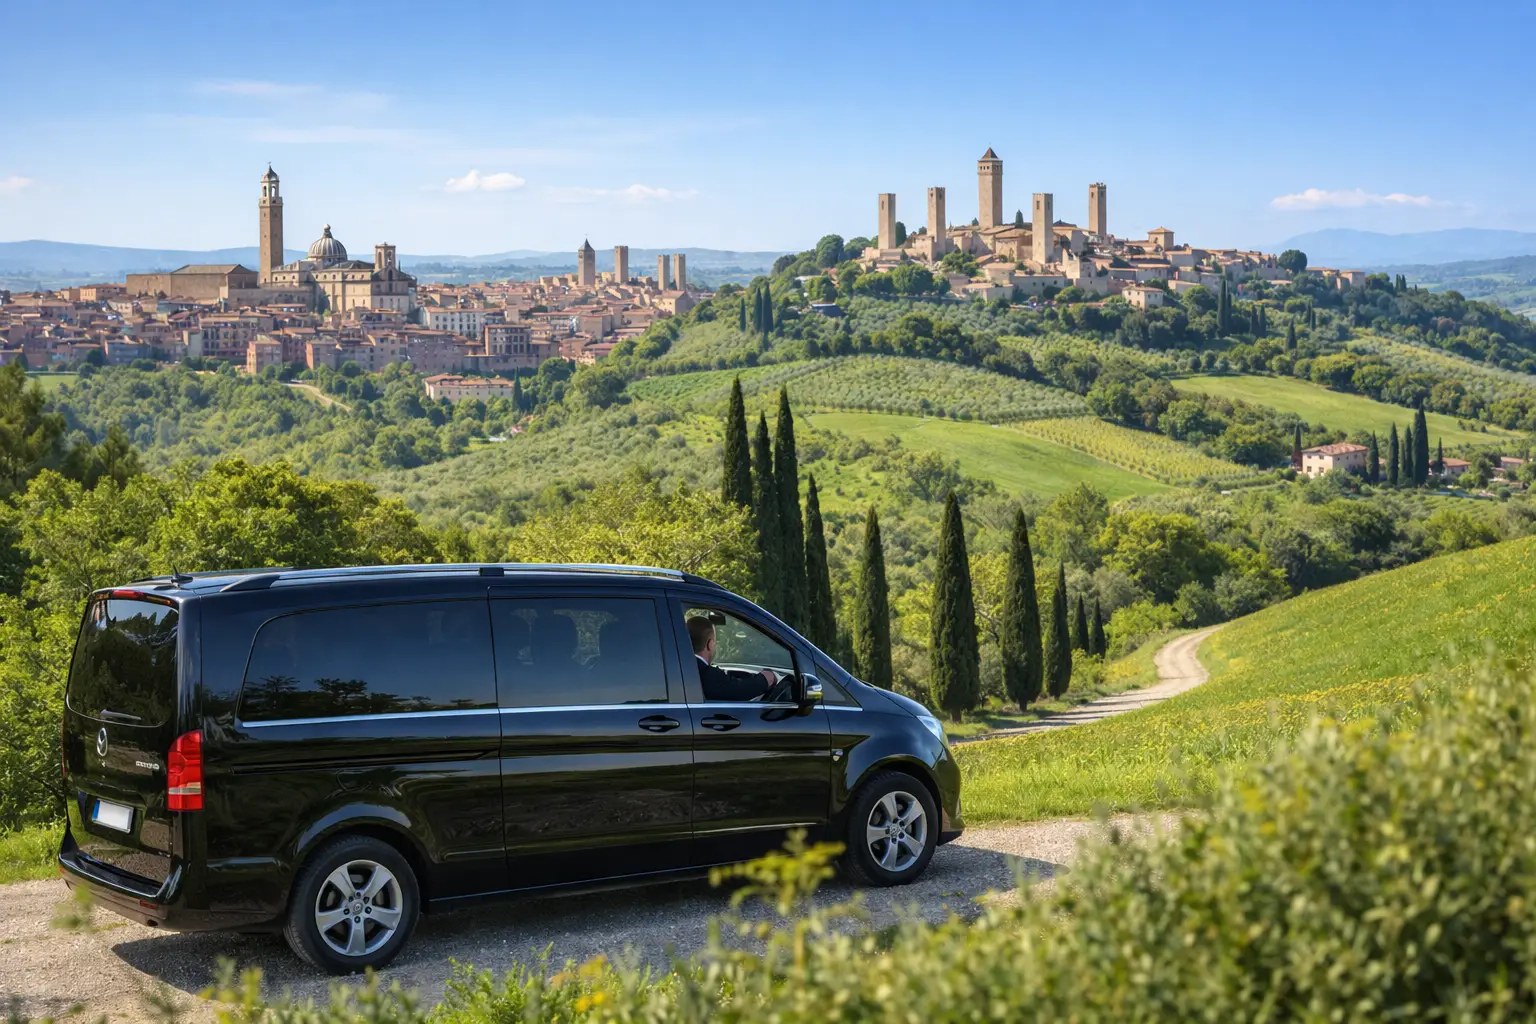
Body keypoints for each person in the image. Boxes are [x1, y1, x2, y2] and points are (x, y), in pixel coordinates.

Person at [687, 615, 777, 702]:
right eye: (715, 641)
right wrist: (766, 678)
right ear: (710, 644)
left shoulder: (681, 668)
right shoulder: (707, 675)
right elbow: (741, 690)